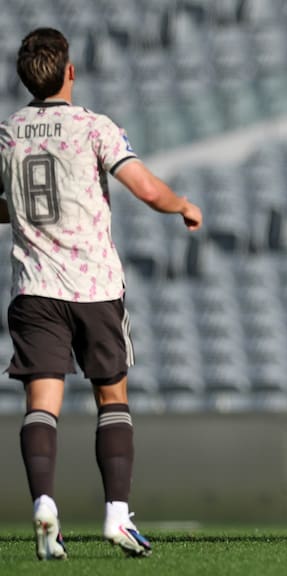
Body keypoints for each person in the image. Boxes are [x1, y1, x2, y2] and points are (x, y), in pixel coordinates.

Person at [0, 28, 203, 560]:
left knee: (41, 404)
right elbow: (146, 188)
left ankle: (45, 505)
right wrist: (182, 204)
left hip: (34, 287)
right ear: (70, 71)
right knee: (111, 396)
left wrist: (21, 213)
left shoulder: (8, 133)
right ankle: (117, 515)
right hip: (93, 286)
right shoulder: (93, 127)